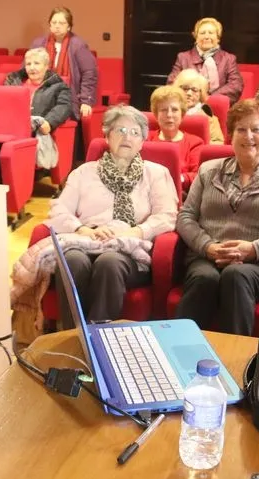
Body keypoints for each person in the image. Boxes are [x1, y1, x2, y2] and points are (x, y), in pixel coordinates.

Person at [175, 99, 259, 336]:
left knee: (236, 275)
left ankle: (236, 360)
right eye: (241, 129)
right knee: (204, 278)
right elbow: (186, 217)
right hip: (207, 256)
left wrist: (253, 249)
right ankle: (177, 350)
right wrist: (209, 247)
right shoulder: (209, 170)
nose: (249, 136)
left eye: (256, 129)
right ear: (231, 135)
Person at [46, 105, 177, 326]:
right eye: (120, 130)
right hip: (87, 241)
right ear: (107, 136)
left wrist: (134, 231)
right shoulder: (84, 172)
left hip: (130, 249)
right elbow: (59, 209)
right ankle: (70, 334)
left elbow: (167, 216)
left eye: (135, 132)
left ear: (143, 141)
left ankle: (99, 334)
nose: (127, 137)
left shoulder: (155, 174)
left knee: (109, 262)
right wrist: (83, 229)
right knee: (73, 260)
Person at [5, 48, 74, 169]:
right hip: (12, 128)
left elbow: (64, 106)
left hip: (36, 130)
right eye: (28, 64)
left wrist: (49, 121)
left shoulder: (58, 86)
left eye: (36, 63)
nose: (32, 68)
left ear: (46, 66)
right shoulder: (13, 81)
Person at [29, 6, 97, 121]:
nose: (57, 26)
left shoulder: (78, 45)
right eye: (54, 22)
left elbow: (89, 73)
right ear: (49, 25)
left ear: (69, 26)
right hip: (41, 95)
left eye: (61, 23)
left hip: (67, 97)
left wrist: (86, 101)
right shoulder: (38, 44)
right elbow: (26, 69)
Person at [168, 18, 243, 104]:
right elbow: (172, 83)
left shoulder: (229, 59)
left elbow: (236, 86)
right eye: (202, 33)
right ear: (196, 37)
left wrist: (208, 99)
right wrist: (191, 96)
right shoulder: (183, 57)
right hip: (188, 106)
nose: (206, 37)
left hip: (217, 106)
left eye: (211, 33)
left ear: (218, 38)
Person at [147, 85, 205, 192]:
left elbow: (198, 175)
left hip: (182, 196)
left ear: (182, 114)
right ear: (156, 115)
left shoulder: (195, 143)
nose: (169, 115)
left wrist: (178, 179)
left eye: (174, 110)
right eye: (163, 110)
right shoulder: (146, 140)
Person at [172, 68, 224, 144]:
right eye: (185, 88)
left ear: (201, 94)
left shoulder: (209, 118)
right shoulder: (168, 113)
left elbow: (218, 143)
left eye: (194, 90)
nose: (189, 93)